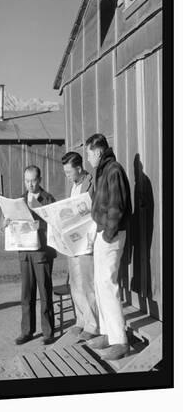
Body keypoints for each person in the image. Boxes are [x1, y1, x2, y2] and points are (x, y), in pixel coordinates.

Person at [85, 133, 132, 361]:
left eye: (88, 154)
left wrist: (108, 234)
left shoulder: (113, 170)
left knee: (108, 283)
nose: (88, 159)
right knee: (100, 284)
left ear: (97, 151)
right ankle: (106, 333)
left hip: (110, 235)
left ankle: (120, 342)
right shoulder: (104, 170)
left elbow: (117, 206)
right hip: (103, 233)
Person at [7, 165, 57, 346]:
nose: (30, 185)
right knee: (26, 294)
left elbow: (55, 224)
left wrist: (40, 226)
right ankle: (26, 331)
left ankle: (48, 332)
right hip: (25, 252)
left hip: (42, 253)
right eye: (27, 181)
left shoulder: (48, 199)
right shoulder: (19, 200)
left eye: (33, 181)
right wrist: (8, 221)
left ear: (40, 180)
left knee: (44, 292)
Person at [62, 151, 99, 340]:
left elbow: (93, 210)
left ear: (79, 168)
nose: (67, 176)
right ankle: (80, 320)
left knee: (87, 284)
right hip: (72, 241)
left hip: (86, 241)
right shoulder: (74, 186)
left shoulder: (91, 182)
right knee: (74, 283)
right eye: (65, 173)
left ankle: (93, 325)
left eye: (69, 172)